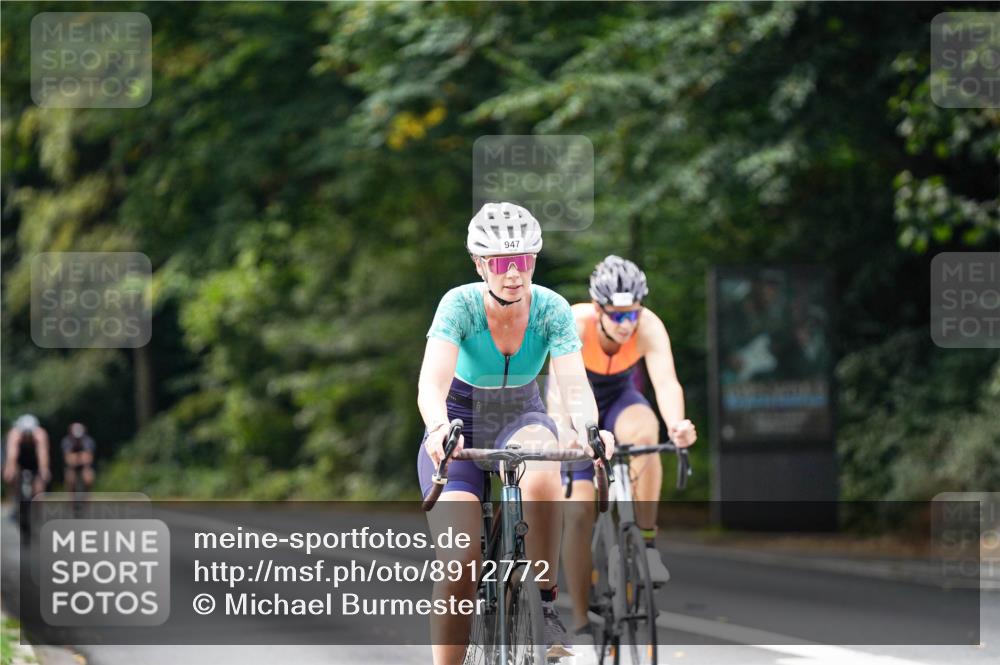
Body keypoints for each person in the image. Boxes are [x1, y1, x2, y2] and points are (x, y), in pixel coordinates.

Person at [416, 202, 615, 664]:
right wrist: (437, 428)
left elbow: (573, 382)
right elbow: (432, 382)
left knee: (545, 471)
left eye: (524, 260)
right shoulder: (459, 304)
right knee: (459, 563)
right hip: (458, 418)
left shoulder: (551, 309)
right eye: (503, 263)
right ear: (480, 264)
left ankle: (544, 604)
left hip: (521, 414)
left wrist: (589, 428)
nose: (514, 273)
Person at [547, 255, 697, 643]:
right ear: (598, 309)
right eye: (617, 316)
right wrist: (565, 431)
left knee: (647, 433)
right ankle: (580, 621)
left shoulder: (648, 326)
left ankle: (645, 544)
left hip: (620, 397)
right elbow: (558, 390)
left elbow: (666, 383)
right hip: (578, 398)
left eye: (633, 314)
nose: (627, 324)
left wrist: (677, 424)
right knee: (578, 515)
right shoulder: (574, 324)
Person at [3, 414, 51, 504]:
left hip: (34, 460)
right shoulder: (14, 434)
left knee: (40, 483)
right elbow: (12, 455)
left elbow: (43, 455)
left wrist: (44, 470)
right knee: (10, 476)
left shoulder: (40, 434)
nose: (27, 436)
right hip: (20, 459)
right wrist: (10, 469)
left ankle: (38, 504)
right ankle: (14, 500)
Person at [61, 422, 96, 495]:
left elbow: (89, 459)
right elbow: (68, 460)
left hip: (85, 467)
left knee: (88, 476)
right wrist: (81, 457)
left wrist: (75, 458)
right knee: (70, 477)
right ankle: (71, 502)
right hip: (72, 468)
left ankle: (87, 501)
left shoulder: (88, 441)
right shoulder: (66, 441)